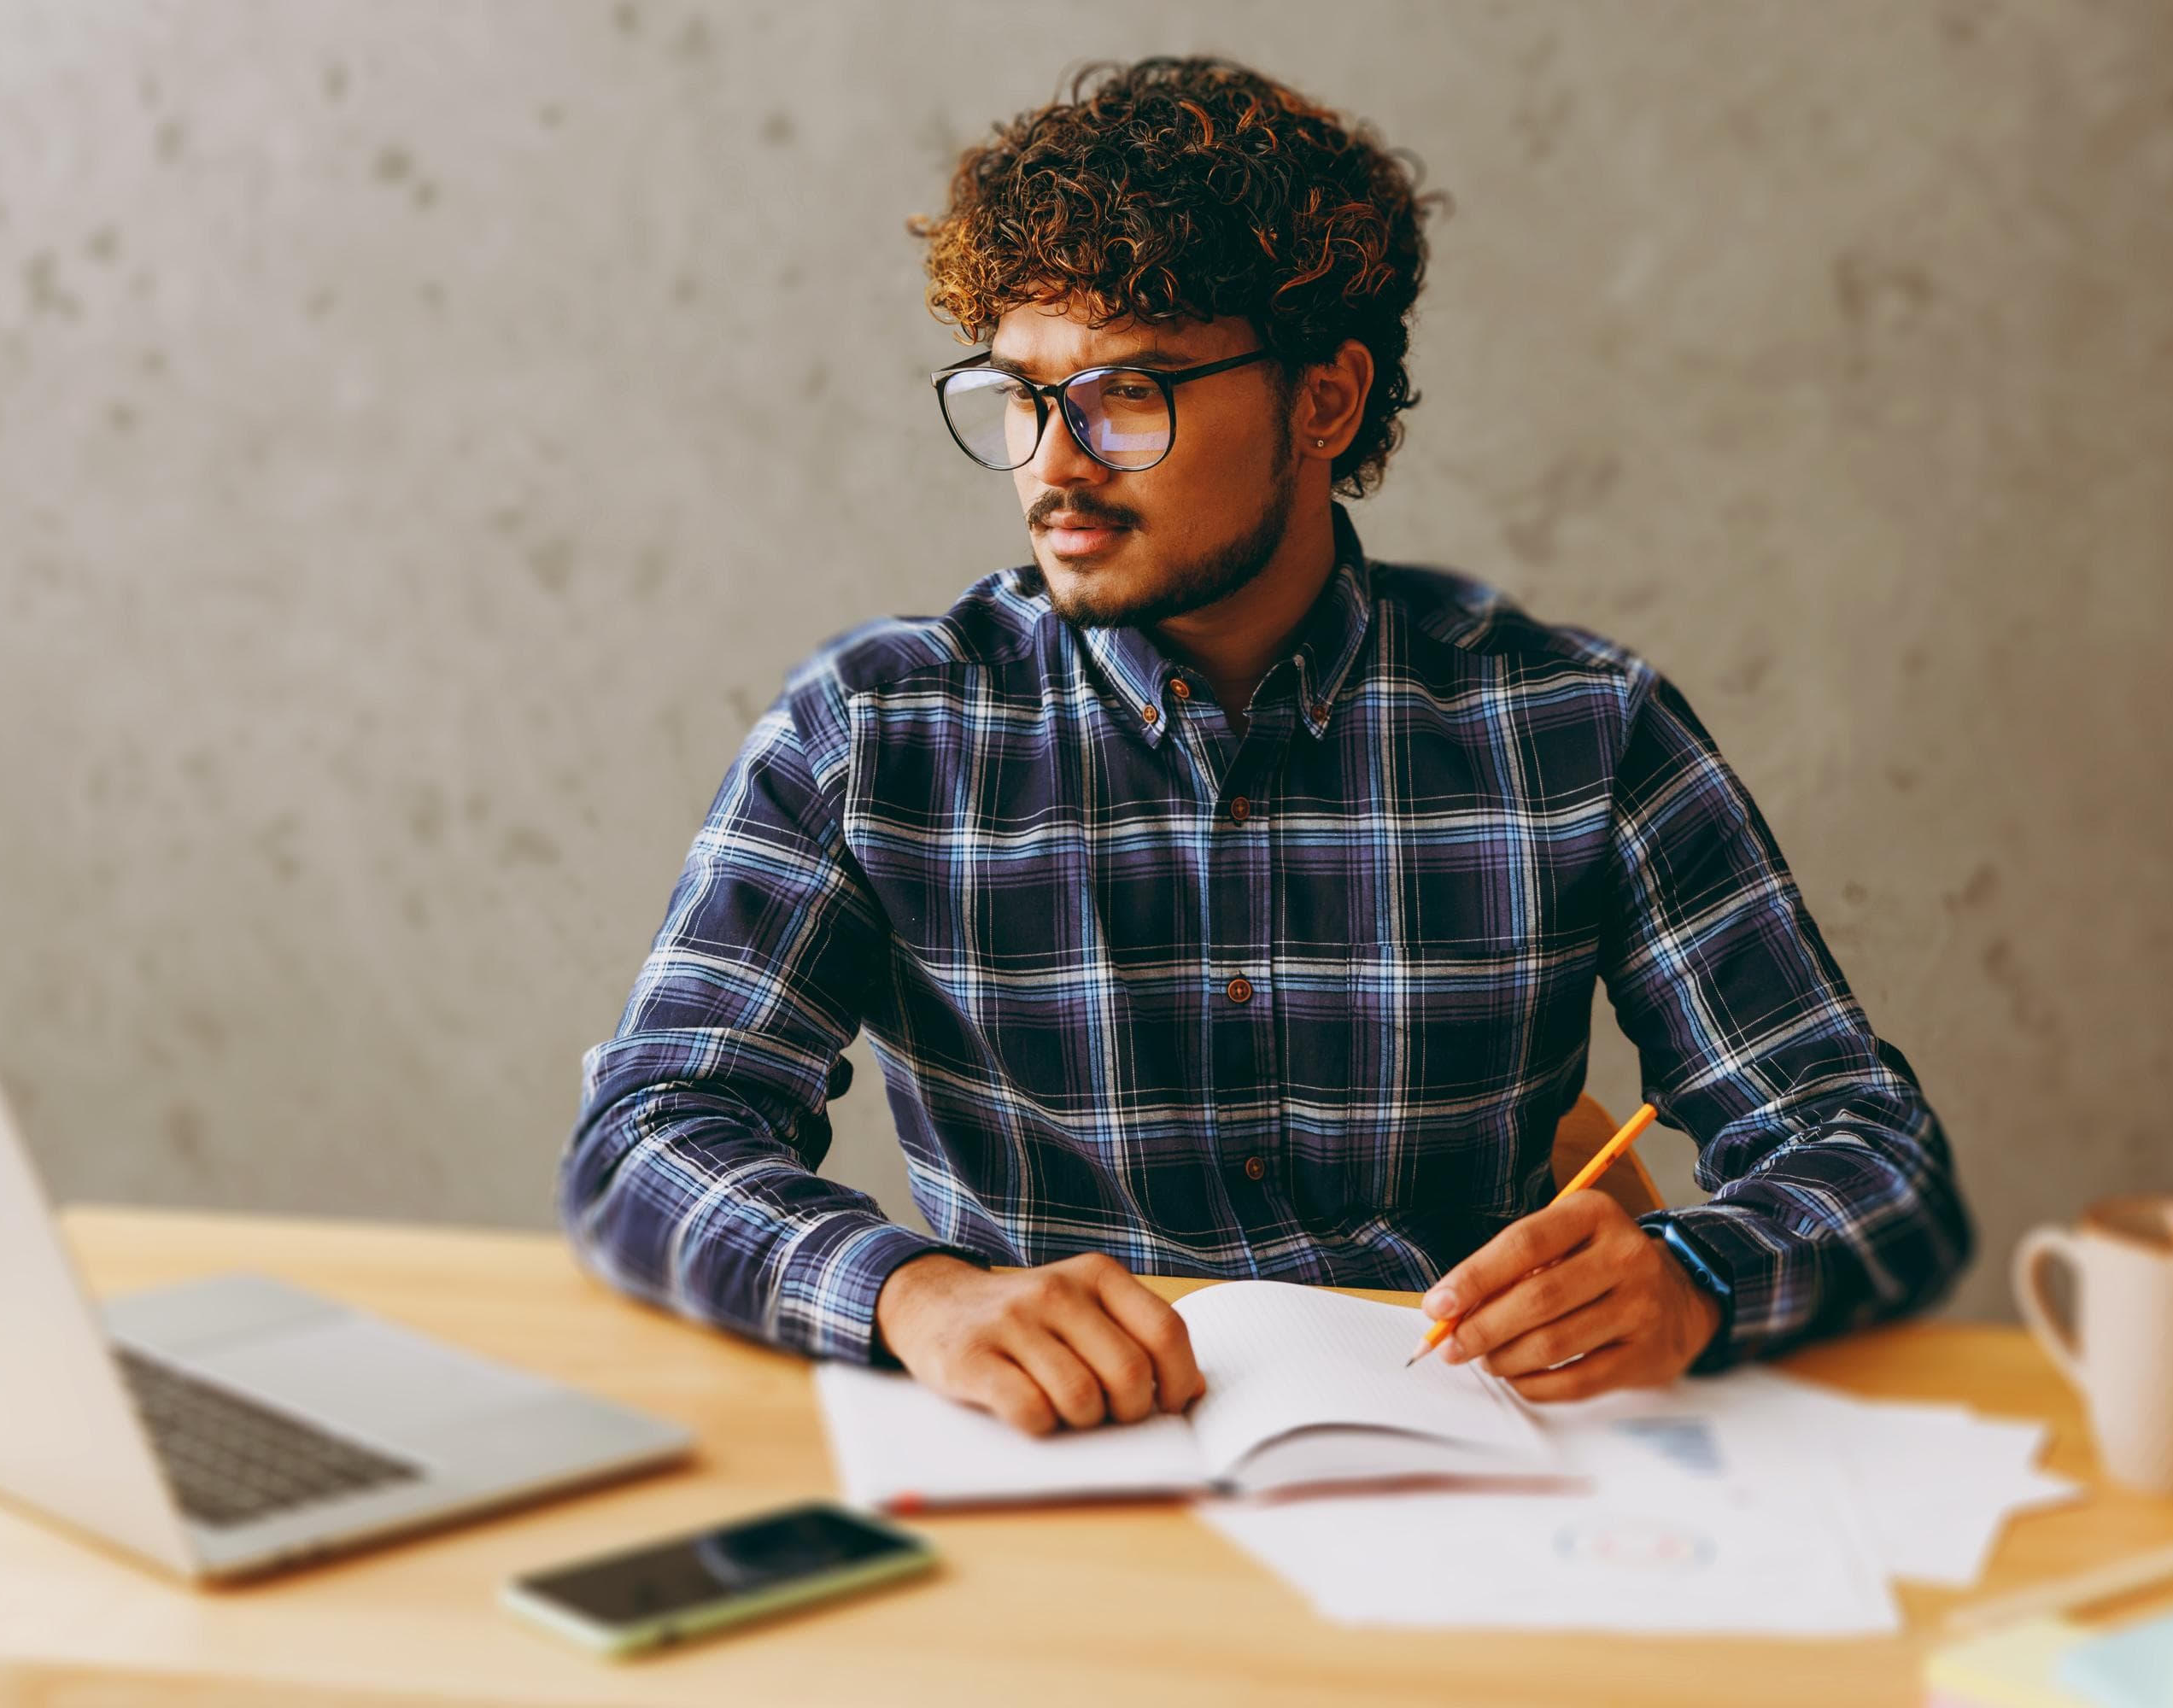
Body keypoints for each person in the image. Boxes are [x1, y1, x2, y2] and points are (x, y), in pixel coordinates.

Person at [561, 56, 1971, 1436]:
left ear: (1325, 401)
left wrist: (1691, 1276)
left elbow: (1868, 1148)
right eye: (1019, 393)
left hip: (1470, 1492)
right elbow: (644, 1136)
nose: (1053, 463)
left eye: (1126, 393)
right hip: (1066, 1490)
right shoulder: (878, 732)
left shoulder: (1577, 729)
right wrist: (915, 1297)